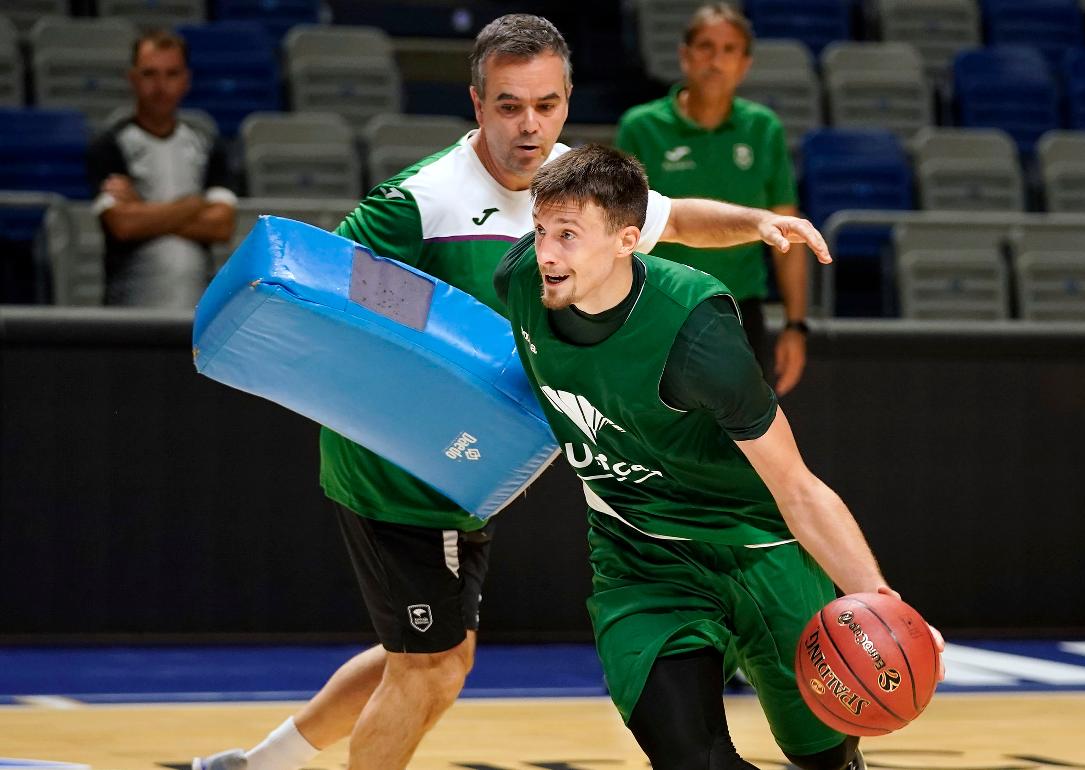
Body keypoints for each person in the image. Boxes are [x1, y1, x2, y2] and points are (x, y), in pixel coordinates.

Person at [194, 14, 831, 770]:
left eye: (547, 105)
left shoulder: (572, 188)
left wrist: (760, 221)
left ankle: (258, 765)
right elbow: (330, 291)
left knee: (428, 652)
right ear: (476, 102)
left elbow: (677, 218)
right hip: (400, 478)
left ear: (565, 101)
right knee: (429, 669)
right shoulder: (419, 201)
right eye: (509, 105)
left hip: (472, 468)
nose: (530, 126)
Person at [494, 144, 943, 770]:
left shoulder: (696, 335)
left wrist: (883, 602)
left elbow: (797, 489)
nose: (546, 251)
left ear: (629, 239)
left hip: (755, 547)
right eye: (541, 230)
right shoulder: (520, 283)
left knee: (824, 759)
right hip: (640, 555)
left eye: (568, 236)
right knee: (690, 759)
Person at [615, 3, 809, 395]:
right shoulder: (641, 127)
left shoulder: (763, 129)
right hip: (658, 306)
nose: (715, 60)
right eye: (705, 46)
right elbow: (621, 230)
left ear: (745, 64)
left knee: (737, 442)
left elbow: (788, 235)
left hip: (738, 310)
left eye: (729, 49)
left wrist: (795, 325)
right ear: (685, 56)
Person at [86, 29, 236, 308]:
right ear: (132, 78)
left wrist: (143, 207)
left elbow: (222, 225)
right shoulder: (109, 145)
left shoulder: (208, 143)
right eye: (149, 74)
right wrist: (194, 204)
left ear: (186, 80)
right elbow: (124, 225)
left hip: (195, 311)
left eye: (171, 74)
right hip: (128, 310)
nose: (160, 86)